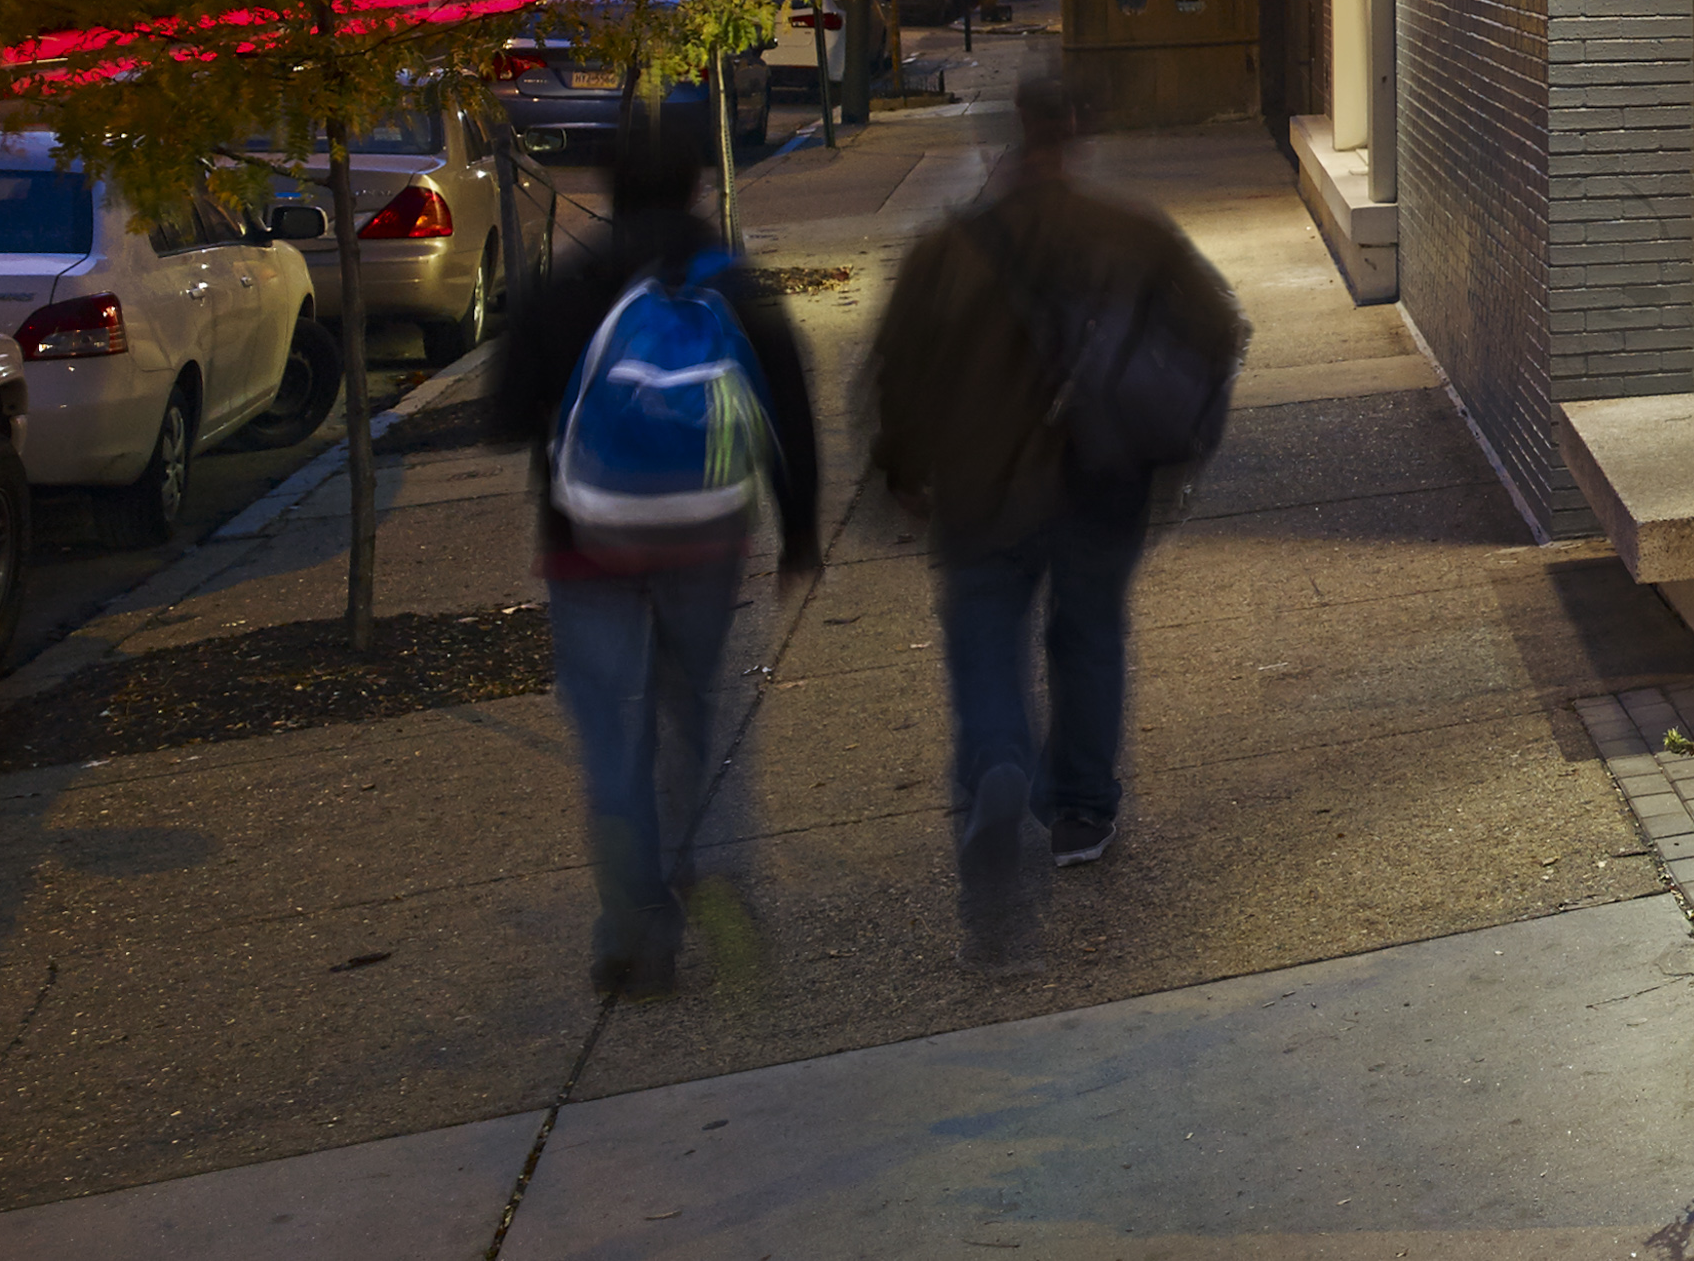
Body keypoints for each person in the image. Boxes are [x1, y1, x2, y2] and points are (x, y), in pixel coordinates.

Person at [865, 72, 1247, 960]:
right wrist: (1179, 437)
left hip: (980, 488)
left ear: (1013, 136)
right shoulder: (1131, 231)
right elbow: (1217, 328)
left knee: (984, 634)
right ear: (1074, 134)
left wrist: (903, 469)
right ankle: (1079, 810)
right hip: (1101, 477)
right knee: (1088, 636)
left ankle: (1000, 762)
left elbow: (899, 371)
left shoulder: (947, 249)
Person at [486, 100, 822, 996]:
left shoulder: (574, 285)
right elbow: (787, 403)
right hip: (705, 539)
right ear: (696, 183)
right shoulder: (730, 283)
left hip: (586, 541)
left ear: (609, 185)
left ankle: (635, 931)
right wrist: (802, 528)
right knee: (695, 716)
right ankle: (707, 861)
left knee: (611, 740)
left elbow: (505, 414)